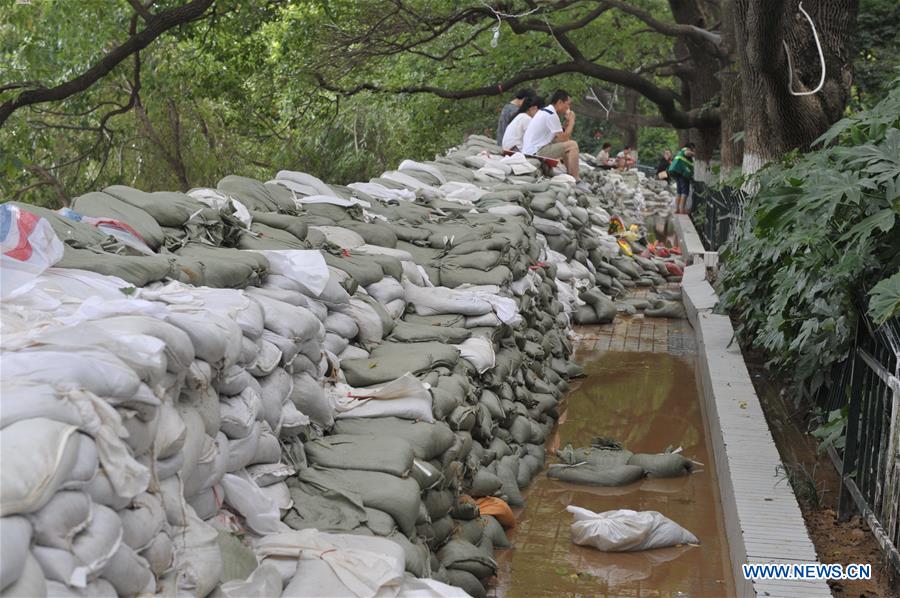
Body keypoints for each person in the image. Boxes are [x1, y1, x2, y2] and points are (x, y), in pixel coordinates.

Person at [522, 89, 590, 193]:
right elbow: (564, 138)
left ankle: (569, 174)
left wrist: (567, 124)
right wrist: (572, 121)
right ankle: (576, 179)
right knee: (573, 145)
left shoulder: (545, 111)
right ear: (559, 102)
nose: (568, 109)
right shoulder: (551, 114)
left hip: (531, 150)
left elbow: (560, 137)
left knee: (565, 145)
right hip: (536, 151)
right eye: (567, 105)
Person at [668, 142, 695, 214]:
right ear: (691, 147)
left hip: (677, 173)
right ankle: (682, 209)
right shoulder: (685, 150)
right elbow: (687, 153)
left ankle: (677, 209)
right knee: (684, 192)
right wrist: (695, 154)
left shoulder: (680, 152)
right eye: (693, 149)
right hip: (683, 174)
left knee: (679, 191)